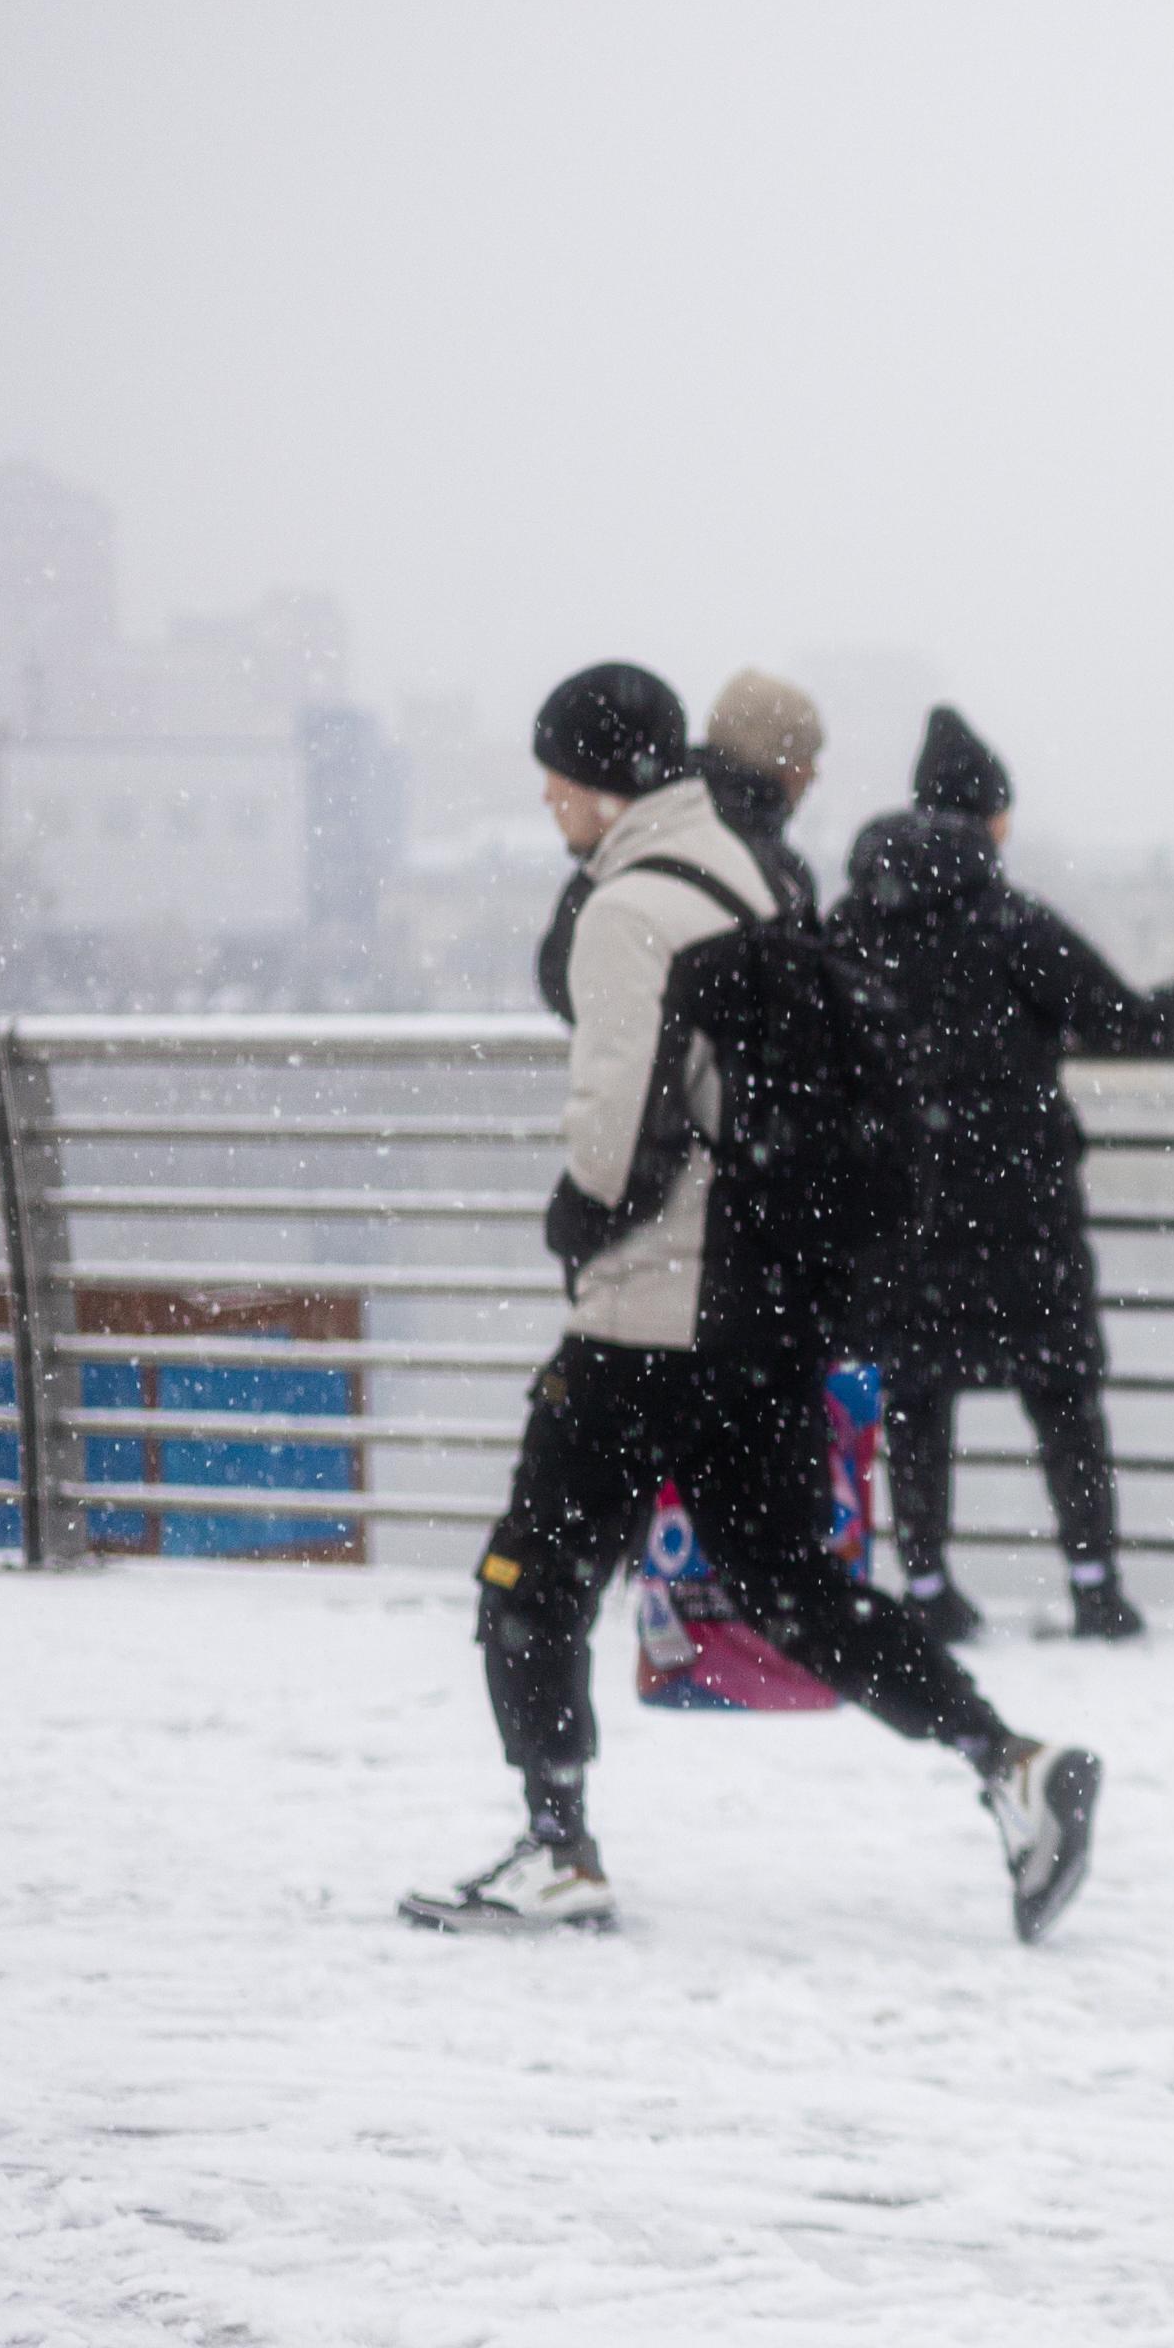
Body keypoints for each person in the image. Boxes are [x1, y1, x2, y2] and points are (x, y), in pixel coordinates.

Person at [403, 663, 1103, 1945]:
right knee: (791, 1585)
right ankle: (1008, 1761)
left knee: (530, 1578)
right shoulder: (750, 871)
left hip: (652, 1313)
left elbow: (616, 1141)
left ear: (601, 778)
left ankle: (557, 1848)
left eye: (557, 776)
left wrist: (571, 1221)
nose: (549, 799)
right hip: (767, 1307)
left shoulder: (627, 907)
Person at [834, 705, 1174, 1644]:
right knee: (1062, 1393)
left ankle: (928, 1588)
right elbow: (1121, 1018)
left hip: (901, 1204)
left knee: (916, 1397)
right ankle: (1095, 1586)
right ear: (993, 818)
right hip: (1021, 1202)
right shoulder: (1013, 922)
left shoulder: (855, 923)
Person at [693, 667, 825, 924]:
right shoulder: (774, 872)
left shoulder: (673, 823)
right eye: (805, 756)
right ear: (774, 761)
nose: (813, 774)